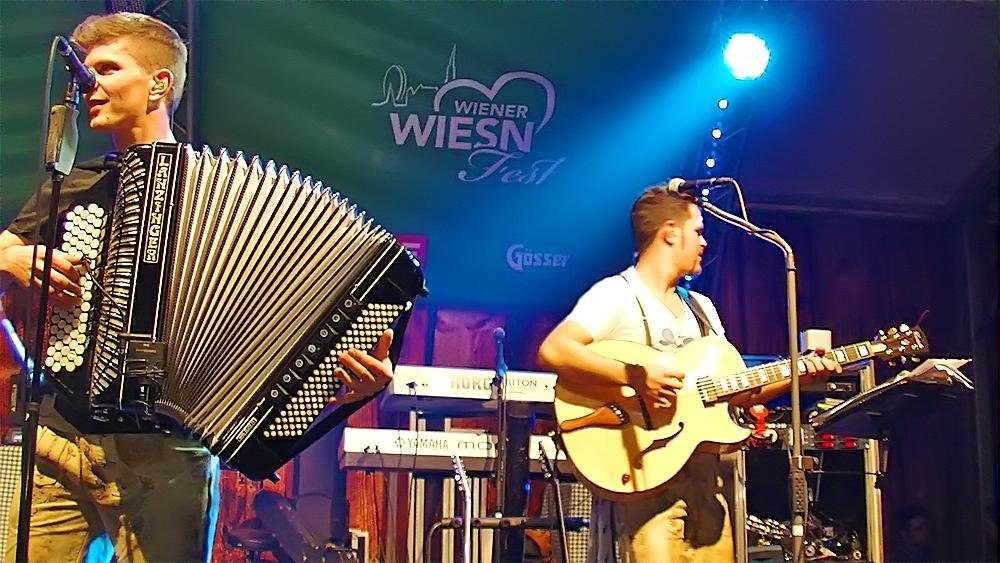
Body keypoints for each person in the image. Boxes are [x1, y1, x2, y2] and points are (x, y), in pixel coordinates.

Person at [0, 12, 392, 562]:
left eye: (108, 69)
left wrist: (353, 383)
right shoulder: (76, 185)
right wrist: (14, 258)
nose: (89, 84)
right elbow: (3, 251)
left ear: (158, 84)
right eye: (86, 72)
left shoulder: (240, 199)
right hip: (62, 438)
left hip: (169, 456)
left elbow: (297, 318)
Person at [537, 184, 842, 562]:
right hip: (646, 479)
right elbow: (555, 349)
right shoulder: (617, 294)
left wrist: (801, 374)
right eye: (697, 231)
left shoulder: (702, 308)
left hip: (706, 483)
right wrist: (634, 375)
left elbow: (735, 393)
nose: (704, 242)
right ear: (669, 233)